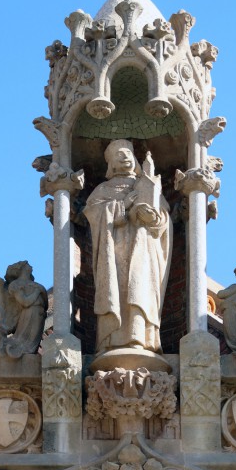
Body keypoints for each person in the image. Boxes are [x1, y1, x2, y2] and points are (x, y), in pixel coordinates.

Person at [83, 139, 172, 354]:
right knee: (117, 290)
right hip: (114, 252)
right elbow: (93, 216)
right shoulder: (103, 189)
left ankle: (141, 338)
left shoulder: (147, 184)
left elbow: (163, 221)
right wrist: (122, 207)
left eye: (128, 153)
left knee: (141, 289)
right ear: (110, 164)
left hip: (144, 249)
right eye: (118, 155)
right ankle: (112, 340)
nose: (124, 157)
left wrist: (153, 217)